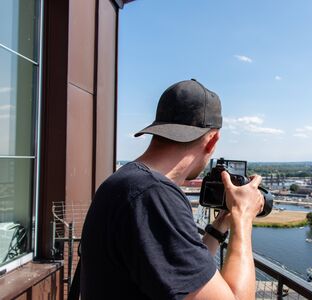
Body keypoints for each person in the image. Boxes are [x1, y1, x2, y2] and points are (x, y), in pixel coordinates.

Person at [80, 79, 264, 300]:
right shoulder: (153, 195)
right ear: (212, 140)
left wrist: (219, 226)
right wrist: (243, 217)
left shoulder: (125, 181)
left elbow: (184, 272)